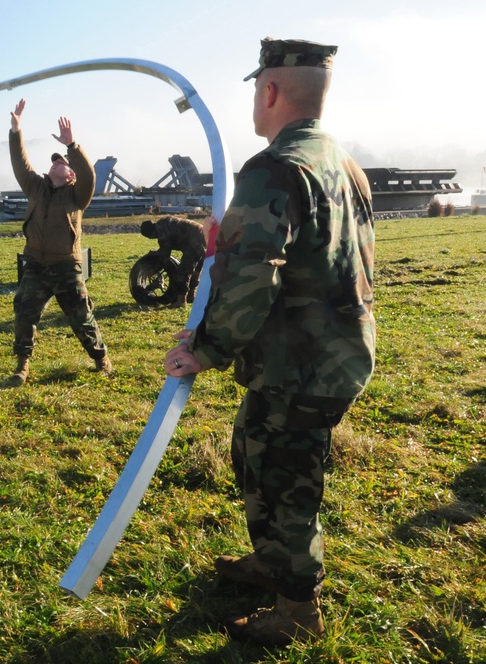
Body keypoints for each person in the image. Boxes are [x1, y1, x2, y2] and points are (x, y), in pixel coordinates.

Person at [164, 38, 375, 646]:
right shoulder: (340, 163)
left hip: (300, 365)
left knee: (285, 480)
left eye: (257, 89)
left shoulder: (274, 169)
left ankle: (297, 610)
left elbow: (257, 278)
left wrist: (204, 349)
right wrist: (228, 248)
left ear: (270, 91)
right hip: (327, 354)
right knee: (253, 451)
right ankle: (271, 561)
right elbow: (326, 257)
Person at [7, 98, 111, 386]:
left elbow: (89, 174)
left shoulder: (79, 195)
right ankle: (22, 366)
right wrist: (16, 132)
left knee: (81, 318)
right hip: (36, 265)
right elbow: (20, 163)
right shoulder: (35, 188)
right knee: (24, 313)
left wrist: (72, 146)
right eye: (54, 161)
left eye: (62, 163)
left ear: (71, 174)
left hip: (66, 266)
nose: (56, 163)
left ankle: (101, 358)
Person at [138, 216, 207, 306]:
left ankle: (181, 301)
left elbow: (165, 256)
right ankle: (190, 295)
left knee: (184, 270)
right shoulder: (163, 222)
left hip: (195, 240)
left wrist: (154, 270)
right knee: (195, 270)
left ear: (151, 233)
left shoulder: (161, 230)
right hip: (203, 235)